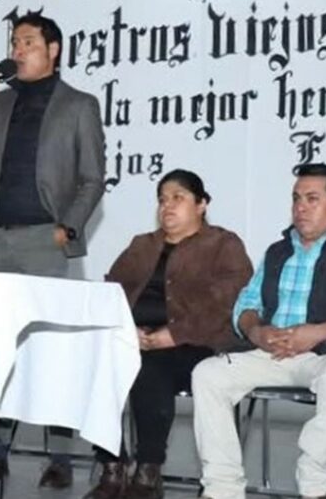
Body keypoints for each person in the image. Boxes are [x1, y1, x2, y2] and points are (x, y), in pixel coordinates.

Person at [0, 11, 105, 488]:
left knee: (52, 349)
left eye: (28, 42)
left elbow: (92, 178)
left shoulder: (79, 105)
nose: (18, 50)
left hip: (46, 239)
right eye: (15, 42)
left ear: (53, 49)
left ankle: (60, 456)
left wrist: (68, 228)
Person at [191, 163, 326, 499]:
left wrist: (317, 333)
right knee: (207, 374)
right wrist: (256, 333)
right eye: (296, 198)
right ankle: (222, 489)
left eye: (313, 199)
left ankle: (315, 487)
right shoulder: (277, 251)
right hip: (272, 351)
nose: (301, 207)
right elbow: (246, 305)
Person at [85, 170, 252, 499]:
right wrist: (126, 328)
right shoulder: (142, 245)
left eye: (178, 198)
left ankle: (148, 471)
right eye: (162, 200)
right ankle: (112, 466)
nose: (167, 206)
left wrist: (174, 334)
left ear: (202, 204)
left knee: (149, 367)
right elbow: (111, 292)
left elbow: (230, 300)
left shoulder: (223, 244)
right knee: (99, 363)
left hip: (197, 345)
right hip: (135, 338)